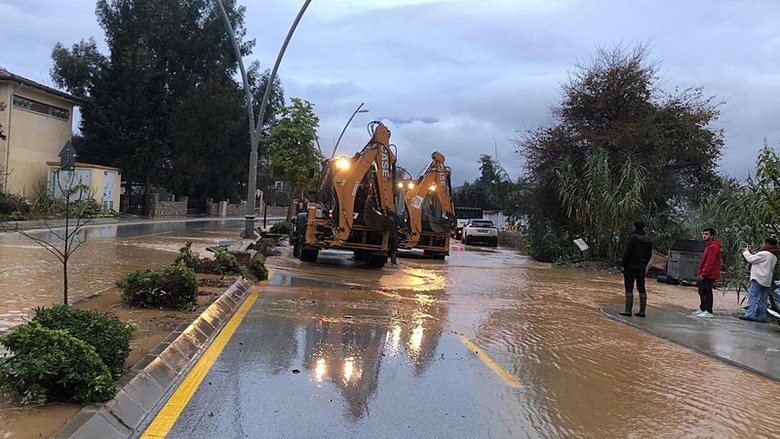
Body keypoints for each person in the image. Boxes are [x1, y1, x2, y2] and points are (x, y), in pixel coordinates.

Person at [740, 237, 779, 323]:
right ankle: (761, 316)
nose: (762, 244)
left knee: (753, 296)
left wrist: (746, 252)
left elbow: (751, 259)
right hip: (767, 279)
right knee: (763, 298)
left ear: (767, 244)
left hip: (758, 277)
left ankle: (749, 315)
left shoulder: (765, 253)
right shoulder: (774, 255)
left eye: (763, 243)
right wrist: (754, 253)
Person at [619, 220, 652, 317]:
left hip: (630, 266)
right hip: (641, 267)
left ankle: (628, 311)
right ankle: (642, 311)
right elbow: (649, 255)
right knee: (641, 287)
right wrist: (644, 264)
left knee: (629, 287)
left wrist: (623, 264)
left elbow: (627, 253)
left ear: (634, 227)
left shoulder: (632, 238)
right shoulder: (648, 240)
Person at [696, 227, 722, 318]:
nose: (704, 236)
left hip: (709, 274)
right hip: (705, 273)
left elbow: (710, 262)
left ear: (711, 236)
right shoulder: (709, 246)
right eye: (703, 234)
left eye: (706, 234)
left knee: (706, 291)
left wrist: (703, 273)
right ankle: (703, 308)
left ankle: (708, 311)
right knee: (701, 291)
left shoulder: (713, 247)